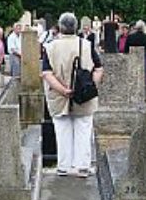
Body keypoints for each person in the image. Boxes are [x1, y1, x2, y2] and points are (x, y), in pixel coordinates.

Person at [42, 12, 104, 178]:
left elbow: (47, 74)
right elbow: (98, 68)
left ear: (60, 27)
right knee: (83, 128)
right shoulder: (87, 45)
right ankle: (82, 166)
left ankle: (64, 166)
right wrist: (91, 86)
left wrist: (63, 90)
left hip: (59, 95)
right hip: (84, 95)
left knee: (62, 130)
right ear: (76, 27)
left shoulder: (50, 47)